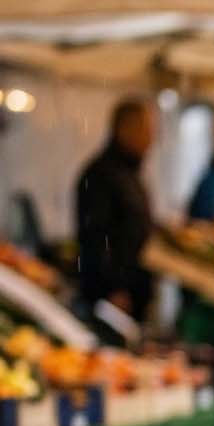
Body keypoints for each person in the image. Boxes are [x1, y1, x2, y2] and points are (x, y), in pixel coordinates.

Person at [73, 96, 156, 324]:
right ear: (124, 128)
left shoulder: (130, 173)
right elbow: (94, 235)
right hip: (114, 297)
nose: (152, 138)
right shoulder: (100, 175)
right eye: (146, 129)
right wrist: (113, 288)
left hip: (135, 290)